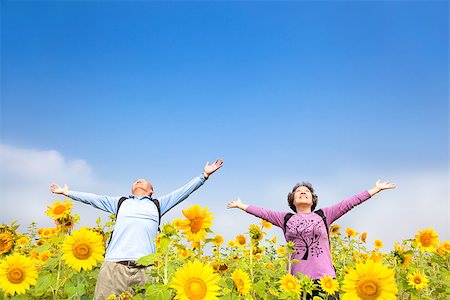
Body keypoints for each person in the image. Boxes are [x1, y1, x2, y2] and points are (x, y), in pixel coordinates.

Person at [50, 159, 223, 299]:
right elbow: (94, 198)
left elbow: (182, 192)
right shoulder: (121, 202)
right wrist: (67, 193)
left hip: (145, 269)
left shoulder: (158, 205)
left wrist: (204, 176)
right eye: (135, 181)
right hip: (114, 266)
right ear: (131, 189)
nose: (138, 181)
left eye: (142, 181)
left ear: (152, 190)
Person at [227, 179, 396, 300]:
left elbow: (349, 203)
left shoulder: (324, 215)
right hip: (297, 283)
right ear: (292, 200)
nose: (302, 192)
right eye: (298, 191)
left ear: (312, 199)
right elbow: (263, 212)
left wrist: (375, 189)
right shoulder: (285, 219)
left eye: (306, 191)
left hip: (326, 280)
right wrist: (242, 206)